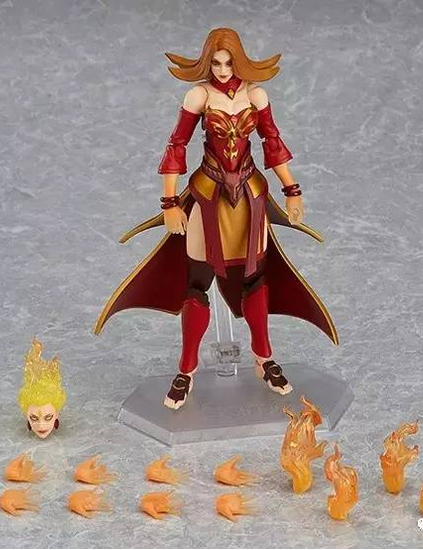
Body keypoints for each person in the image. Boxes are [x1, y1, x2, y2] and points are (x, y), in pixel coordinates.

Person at [94, 28, 339, 410]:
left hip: (249, 196)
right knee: (197, 283)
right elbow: (176, 146)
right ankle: (186, 370)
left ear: (239, 61)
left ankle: (263, 357)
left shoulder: (255, 95)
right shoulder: (199, 95)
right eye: (216, 63)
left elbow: (272, 143)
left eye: (228, 63)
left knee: (255, 278)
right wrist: (169, 202)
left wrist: (292, 189)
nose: (222, 70)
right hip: (208, 195)